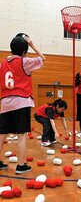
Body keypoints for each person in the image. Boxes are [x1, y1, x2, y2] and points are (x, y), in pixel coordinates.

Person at [0, 33, 46, 174]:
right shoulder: (24, 62)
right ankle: (21, 165)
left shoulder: (2, 64)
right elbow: (42, 59)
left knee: (1, 134)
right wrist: (32, 44)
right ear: (24, 52)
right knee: (21, 135)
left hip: (5, 102)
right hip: (21, 101)